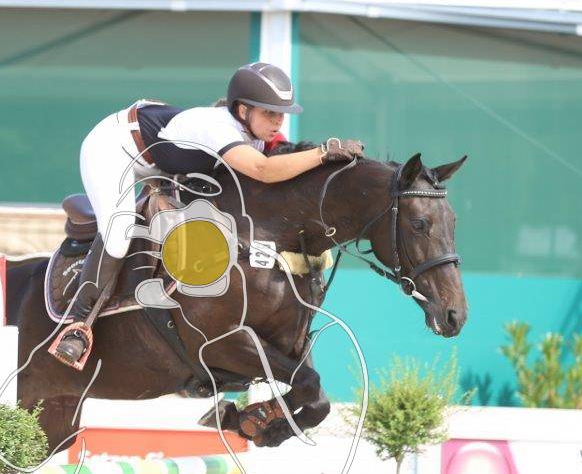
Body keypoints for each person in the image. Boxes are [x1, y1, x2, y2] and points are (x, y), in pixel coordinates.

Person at [49, 62, 365, 369]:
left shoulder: (256, 133)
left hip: (161, 159)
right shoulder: (218, 127)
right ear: (243, 110)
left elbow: (287, 162)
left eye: (281, 114)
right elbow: (264, 170)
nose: (278, 121)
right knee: (120, 231)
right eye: (269, 113)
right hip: (114, 147)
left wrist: (333, 164)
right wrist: (324, 152)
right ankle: (78, 324)